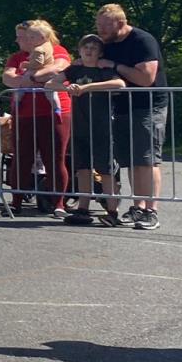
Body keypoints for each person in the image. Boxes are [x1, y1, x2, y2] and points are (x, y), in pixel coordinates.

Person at [94, 3, 169, 231]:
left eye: (106, 26)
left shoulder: (142, 40)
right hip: (122, 108)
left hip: (148, 107)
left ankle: (151, 211)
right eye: (99, 27)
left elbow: (146, 78)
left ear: (121, 23)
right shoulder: (108, 44)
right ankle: (137, 206)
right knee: (131, 161)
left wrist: (115, 65)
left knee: (147, 160)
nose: (101, 32)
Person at [49, 33, 125, 226]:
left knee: (105, 170)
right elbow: (51, 83)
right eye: (86, 48)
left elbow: (119, 83)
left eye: (93, 48)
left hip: (101, 125)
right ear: (80, 50)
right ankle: (83, 207)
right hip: (80, 125)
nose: (89, 51)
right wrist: (69, 88)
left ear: (99, 53)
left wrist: (88, 87)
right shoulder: (75, 69)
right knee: (83, 168)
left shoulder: (103, 69)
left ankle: (112, 210)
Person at [1, 21, 72, 216]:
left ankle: (58, 203)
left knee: (55, 158)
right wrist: (37, 79)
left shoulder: (57, 50)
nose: (20, 40)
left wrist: (30, 77)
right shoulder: (16, 58)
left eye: (23, 36)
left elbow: (59, 68)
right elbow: (7, 78)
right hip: (24, 113)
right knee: (21, 158)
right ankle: (16, 201)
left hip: (54, 113)